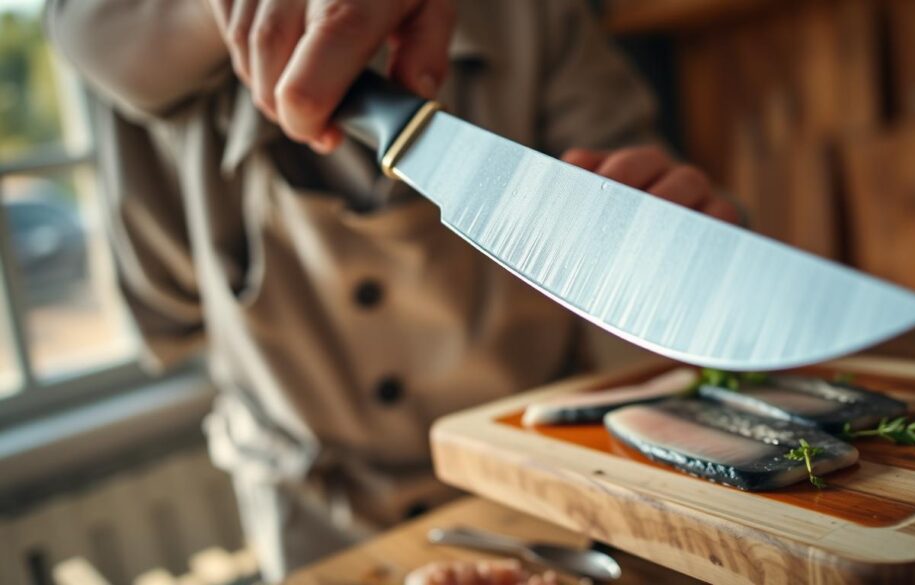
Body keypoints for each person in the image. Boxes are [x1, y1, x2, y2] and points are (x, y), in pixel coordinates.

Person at [45, 0, 739, 580]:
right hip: (314, 521)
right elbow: (87, 33)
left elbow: (649, 264)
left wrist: (681, 257)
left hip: (542, 495)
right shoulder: (135, 51)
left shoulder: (537, 20)